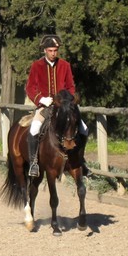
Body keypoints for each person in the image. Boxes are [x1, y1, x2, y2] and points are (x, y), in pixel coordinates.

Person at [25, 34, 89, 177]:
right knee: (34, 129)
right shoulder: (37, 65)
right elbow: (30, 88)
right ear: (45, 51)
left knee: (84, 129)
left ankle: (81, 160)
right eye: (51, 50)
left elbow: (71, 87)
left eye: (55, 50)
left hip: (64, 106)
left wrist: (67, 101)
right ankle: (34, 162)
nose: (53, 53)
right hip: (45, 106)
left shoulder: (65, 65)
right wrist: (41, 99)